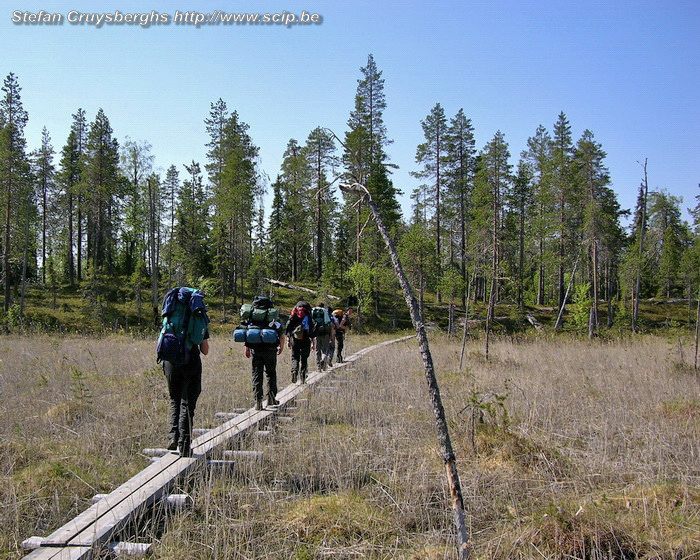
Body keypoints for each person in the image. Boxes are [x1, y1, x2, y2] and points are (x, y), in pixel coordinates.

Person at [159, 287, 210, 458]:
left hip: (170, 360)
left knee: (175, 398)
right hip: (191, 359)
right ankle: (185, 445)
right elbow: (205, 350)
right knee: (188, 403)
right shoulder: (199, 316)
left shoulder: (171, 312)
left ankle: (173, 436)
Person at [242, 296, 285, 411]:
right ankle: (271, 399)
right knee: (271, 374)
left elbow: (248, 331)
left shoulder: (252, 317)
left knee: (257, 375)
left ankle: (258, 401)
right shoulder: (273, 317)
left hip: (256, 350)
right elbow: (281, 333)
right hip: (270, 350)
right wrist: (281, 347)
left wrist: (247, 348)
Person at [286, 300, 315, 383]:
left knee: (295, 357)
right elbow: (312, 329)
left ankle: (294, 371)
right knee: (304, 358)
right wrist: (313, 342)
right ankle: (303, 376)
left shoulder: (294, 315)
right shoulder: (308, 316)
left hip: (295, 338)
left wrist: (288, 339)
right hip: (306, 338)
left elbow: (289, 327)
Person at [312, 302, 335, 371]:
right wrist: (331, 336)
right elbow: (330, 324)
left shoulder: (313, 311)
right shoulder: (325, 312)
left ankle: (319, 367)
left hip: (316, 333)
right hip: (325, 333)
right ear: (323, 306)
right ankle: (323, 360)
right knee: (325, 350)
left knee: (317, 350)